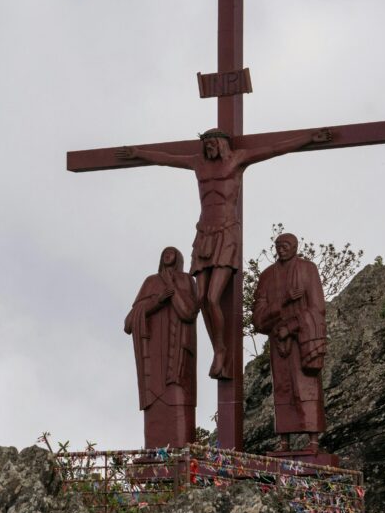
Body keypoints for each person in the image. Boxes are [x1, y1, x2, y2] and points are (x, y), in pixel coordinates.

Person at [116, 127, 331, 379]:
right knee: (201, 300)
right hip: (204, 233)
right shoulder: (198, 164)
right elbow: (166, 159)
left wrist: (307, 139)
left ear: (222, 143)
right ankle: (218, 349)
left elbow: (274, 149)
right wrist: (138, 153)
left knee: (212, 298)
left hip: (226, 233)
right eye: (205, 145)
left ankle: (221, 352)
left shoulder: (237, 160)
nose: (208, 149)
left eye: (212, 144)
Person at [251, 233, 327, 453]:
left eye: (285, 245)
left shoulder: (307, 269)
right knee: (283, 389)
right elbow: (258, 317)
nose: (281, 249)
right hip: (278, 344)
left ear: (295, 247)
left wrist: (292, 327)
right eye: (278, 246)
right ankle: (284, 441)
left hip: (302, 341)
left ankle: (313, 440)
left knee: (307, 387)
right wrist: (282, 301)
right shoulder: (267, 276)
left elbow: (318, 308)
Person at [124, 246, 199, 448]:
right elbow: (130, 322)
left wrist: (172, 291)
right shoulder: (150, 282)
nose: (168, 254)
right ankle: (154, 453)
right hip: (154, 356)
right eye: (165, 252)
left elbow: (189, 312)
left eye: (172, 252)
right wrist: (158, 300)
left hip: (178, 355)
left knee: (178, 398)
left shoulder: (186, 280)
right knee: (155, 403)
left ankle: (180, 450)